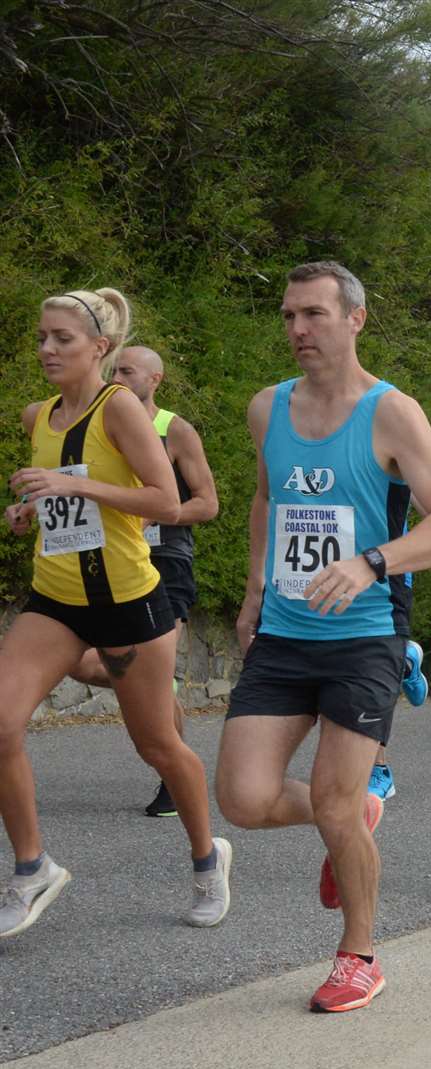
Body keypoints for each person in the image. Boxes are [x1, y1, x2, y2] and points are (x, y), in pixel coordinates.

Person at [216, 262, 431, 1013]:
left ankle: (359, 953)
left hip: (364, 635)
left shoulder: (391, 413)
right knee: (243, 797)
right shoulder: (267, 409)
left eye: (314, 315)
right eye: (290, 315)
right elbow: (267, 499)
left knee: (332, 801)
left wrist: (372, 563)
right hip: (286, 633)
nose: (298, 329)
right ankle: (357, 813)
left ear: (355, 319)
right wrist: (254, 591)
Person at [1, 288, 232, 939]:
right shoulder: (37, 416)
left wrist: (75, 485)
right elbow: (54, 504)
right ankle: (31, 869)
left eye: (63, 339)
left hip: (129, 602)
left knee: (158, 744)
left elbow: (163, 499)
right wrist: (26, 514)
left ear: (100, 347)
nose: (47, 349)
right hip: (57, 601)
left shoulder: (120, 408)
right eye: (42, 337)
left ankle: (208, 858)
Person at [52, 345, 219, 818]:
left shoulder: (175, 430)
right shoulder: (94, 422)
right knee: (83, 666)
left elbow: (207, 503)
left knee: (158, 677)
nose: (118, 377)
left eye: (128, 370)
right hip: (104, 558)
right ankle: (150, 695)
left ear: (156, 380)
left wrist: (153, 514)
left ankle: (173, 777)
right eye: (114, 370)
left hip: (165, 561)